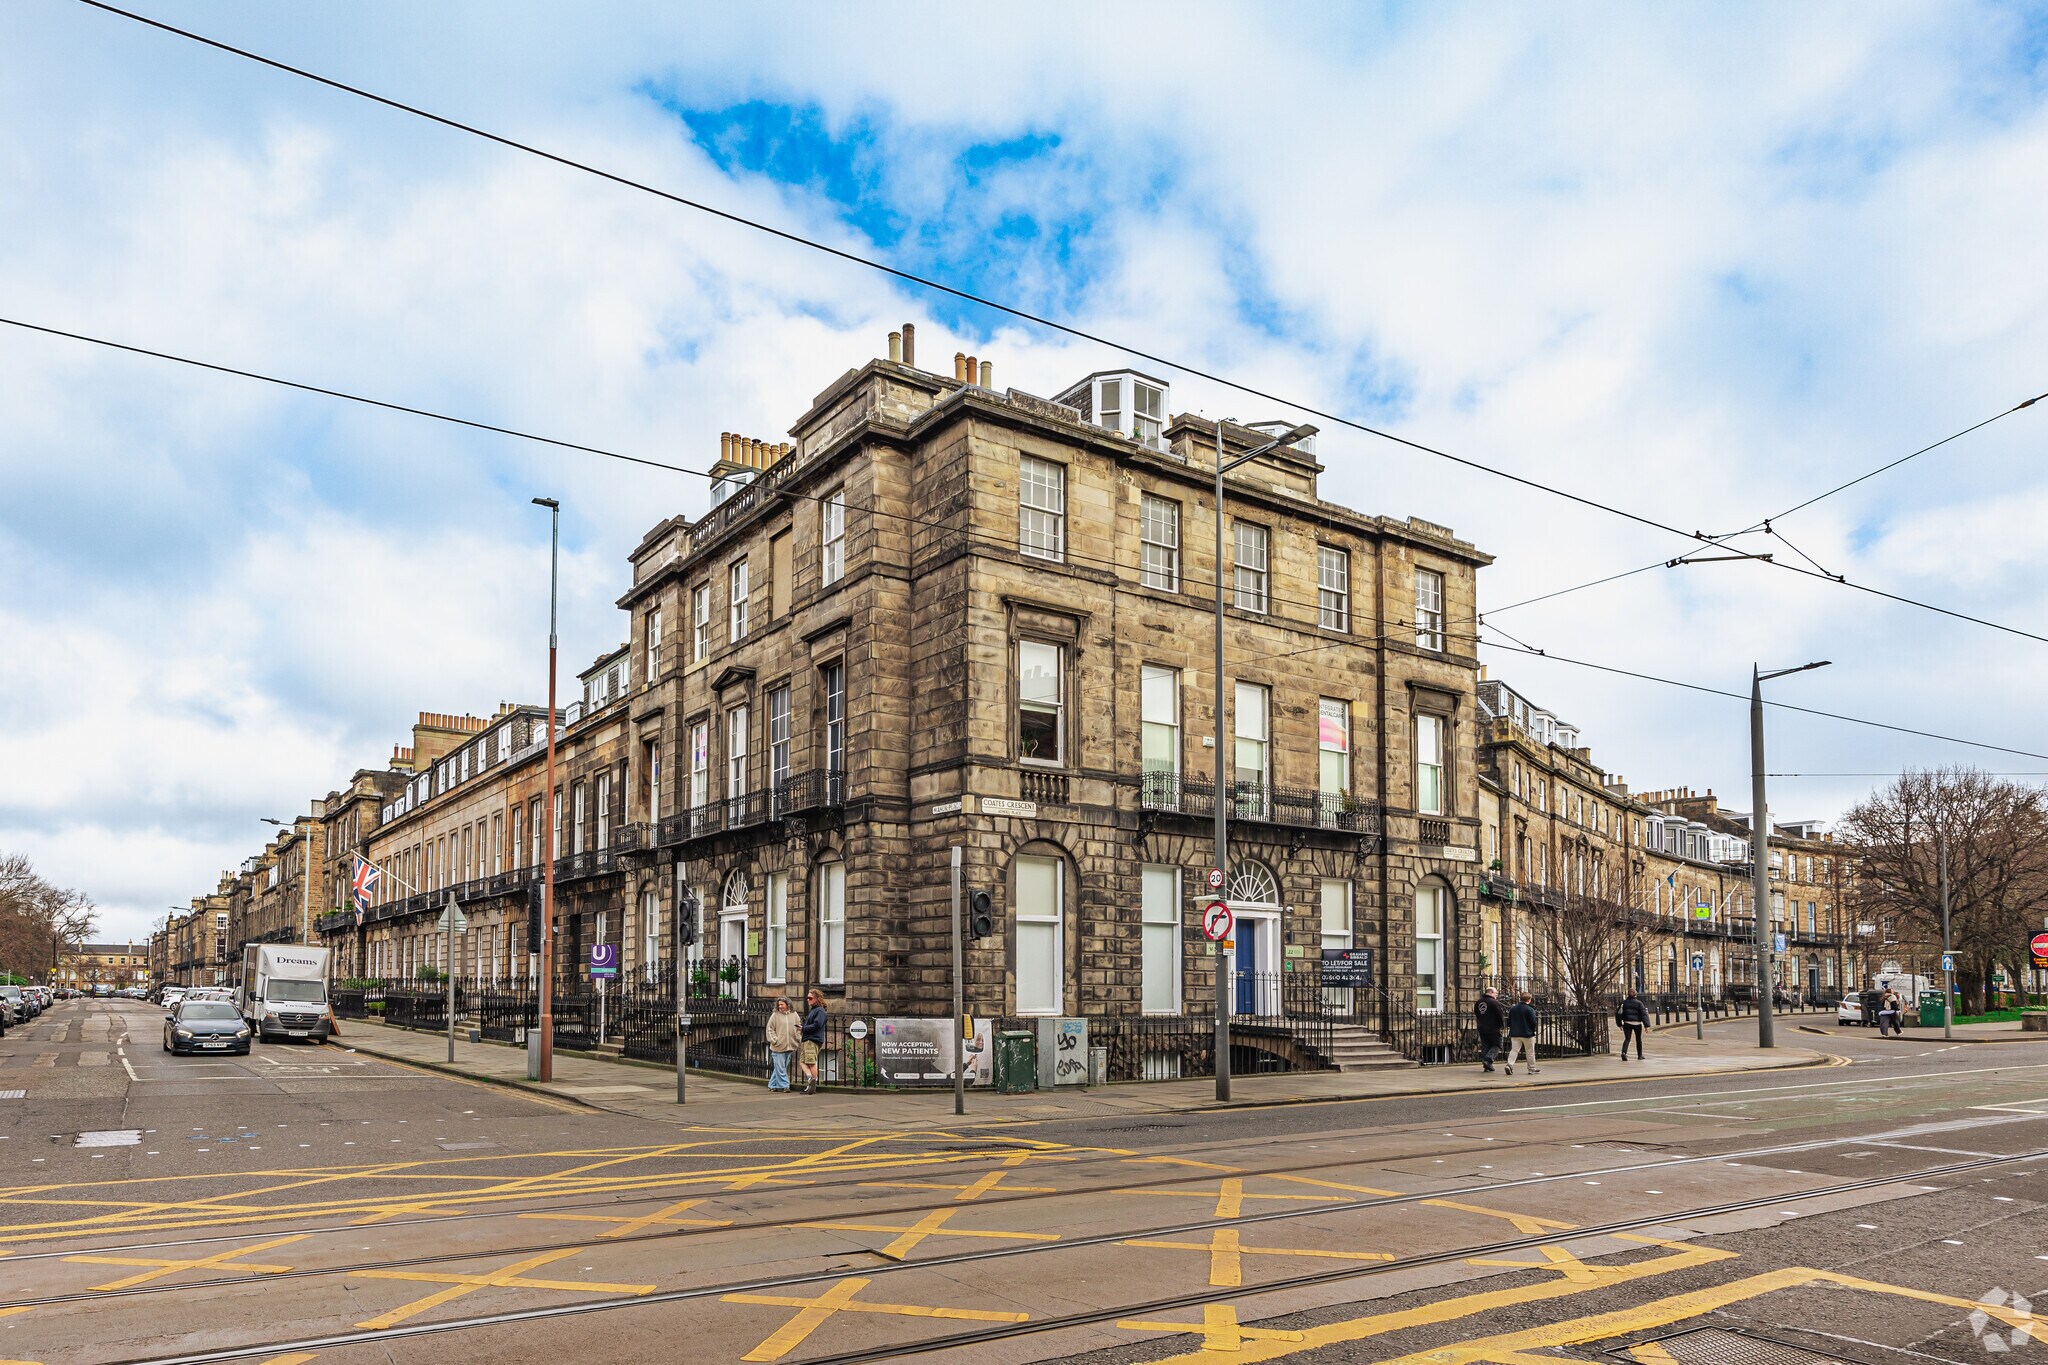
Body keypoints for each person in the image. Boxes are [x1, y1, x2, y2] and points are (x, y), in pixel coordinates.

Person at [766, 997, 800, 1093]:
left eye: (782, 1004)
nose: (780, 1006)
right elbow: (769, 1029)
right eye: (779, 1004)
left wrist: (797, 1038)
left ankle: (772, 1085)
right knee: (780, 1068)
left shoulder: (794, 1014)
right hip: (778, 1047)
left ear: (787, 1004)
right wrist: (774, 1040)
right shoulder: (775, 1015)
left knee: (781, 1068)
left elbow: (798, 1027)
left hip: (790, 1045)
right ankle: (785, 1086)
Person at [799, 986, 827, 1094]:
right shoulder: (813, 1010)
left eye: (810, 998)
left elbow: (817, 1025)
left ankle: (813, 1085)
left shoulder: (819, 1011)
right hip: (807, 1039)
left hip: (813, 1039)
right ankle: (811, 1080)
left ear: (817, 999)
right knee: (802, 1062)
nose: (808, 1000)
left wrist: (803, 1028)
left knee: (811, 1062)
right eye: (807, 998)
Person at [1504, 991, 1540, 1075]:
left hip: (1515, 1033)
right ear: (1529, 999)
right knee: (1530, 1052)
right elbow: (1533, 1022)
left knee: (1514, 1050)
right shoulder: (1530, 1009)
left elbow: (1508, 1022)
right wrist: (1532, 1030)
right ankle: (1531, 1069)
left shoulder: (1513, 1008)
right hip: (1527, 1034)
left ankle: (1509, 1064)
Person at [1474, 987, 1506, 1073]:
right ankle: (1488, 1060)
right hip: (1493, 1028)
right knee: (1498, 1044)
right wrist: (1502, 1025)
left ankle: (1486, 1065)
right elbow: (1500, 1015)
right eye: (1496, 993)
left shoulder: (1478, 1002)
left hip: (1482, 1027)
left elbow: (1477, 1014)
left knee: (1486, 1045)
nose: (1496, 995)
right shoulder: (1494, 1002)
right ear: (1491, 992)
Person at [1616, 990, 1649, 1060]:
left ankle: (1624, 1053)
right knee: (1638, 1039)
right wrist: (1646, 1026)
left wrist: (1619, 1024)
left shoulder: (1624, 1003)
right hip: (1637, 1023)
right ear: (1635, 995)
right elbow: (1644, 1014)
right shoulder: (1639, 1003)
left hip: (1627, 1023)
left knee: (1627, 1039)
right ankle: (1640, 1055)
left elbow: (1618, 1014)